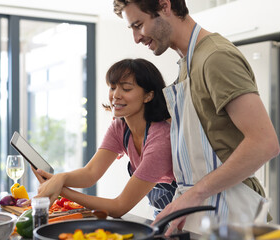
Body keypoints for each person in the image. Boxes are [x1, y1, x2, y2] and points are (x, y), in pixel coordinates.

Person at [113, 0, 280, 236]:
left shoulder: (216, 57)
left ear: (165, 6)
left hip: (232, 213)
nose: (136, 38)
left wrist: (195, 193)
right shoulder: (187, 64)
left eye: (138, 25)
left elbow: (265, 144)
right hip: (204, 212)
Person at [29, 58, 177, 218]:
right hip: (161, 215)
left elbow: (119, 207)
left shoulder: (161, 139)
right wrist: (59, 178)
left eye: (126, 89)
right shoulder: (120, 127)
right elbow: (90, 173)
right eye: (112, 87)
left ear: (148, 96)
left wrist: (60, 189)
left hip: (190, 219)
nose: (115, 95)